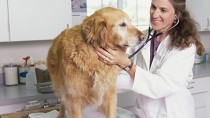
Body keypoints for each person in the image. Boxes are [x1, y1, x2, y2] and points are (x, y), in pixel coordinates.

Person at [96, 0, 205, 118]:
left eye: (163, 10)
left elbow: (161, 86)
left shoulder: (185, 46)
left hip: (173, 113)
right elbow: (128, 77)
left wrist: (127, 64)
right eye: (153, 7)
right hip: (146, 112)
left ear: (176, 15)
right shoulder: (143, 37)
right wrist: (96, 84)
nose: (154, 14)